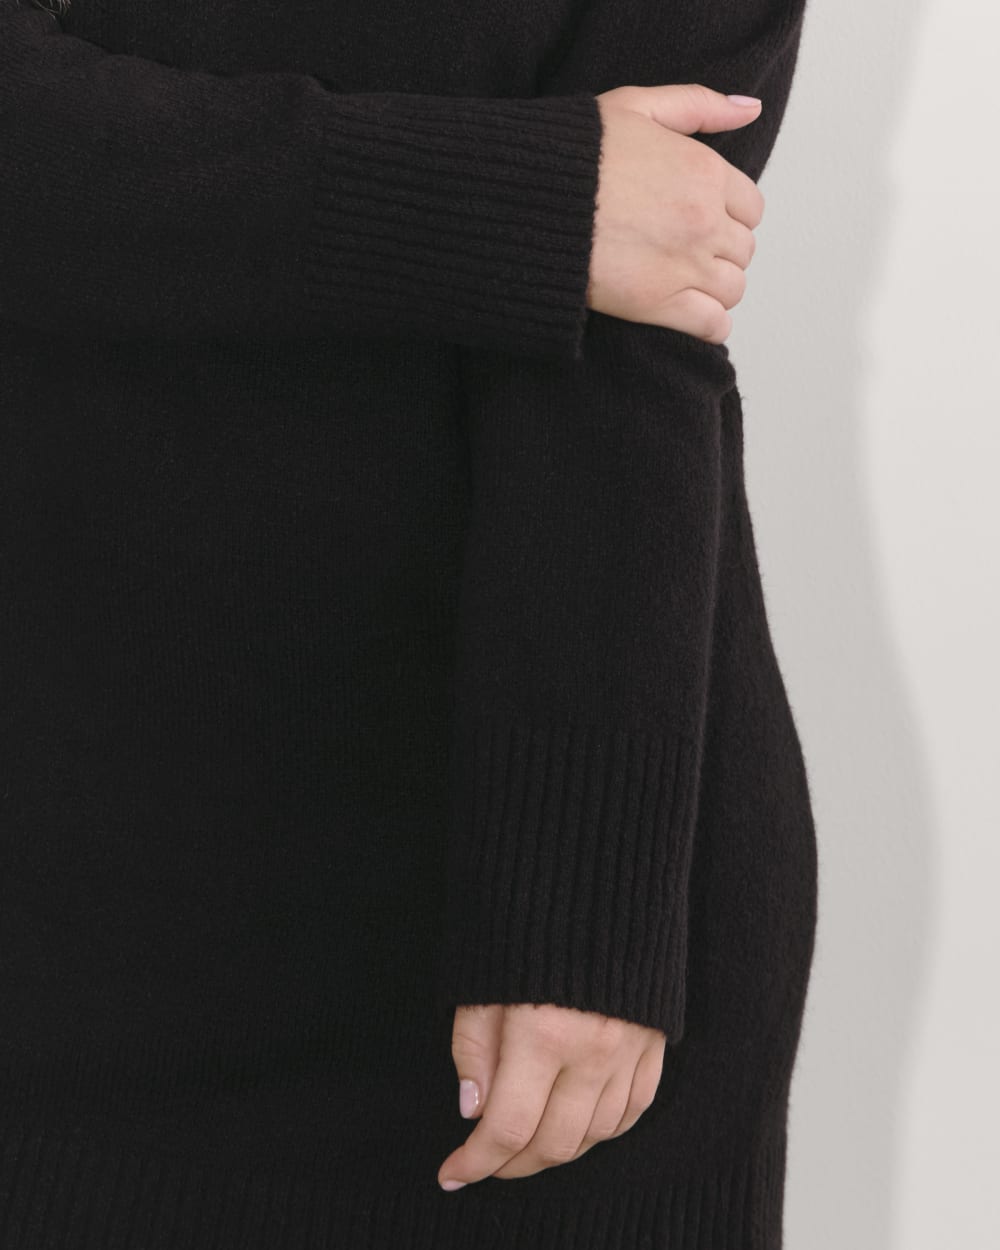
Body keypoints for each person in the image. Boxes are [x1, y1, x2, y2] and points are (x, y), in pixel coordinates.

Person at [0, 0, 818, 1246]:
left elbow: (640, 334)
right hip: (69, 869)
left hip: (515, 852)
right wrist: (521, 200)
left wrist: (580, 910)